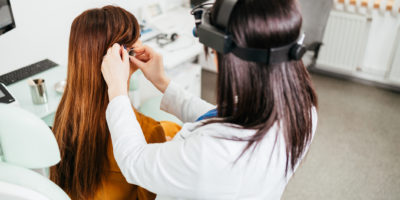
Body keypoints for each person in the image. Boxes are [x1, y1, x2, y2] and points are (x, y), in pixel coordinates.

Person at [101, 0, 318, 199]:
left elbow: (134, 162)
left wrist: (118, 89)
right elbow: (226, 118)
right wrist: (163, 83)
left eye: (213, 52)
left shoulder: (211, 155)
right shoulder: (302, 109)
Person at [49, 6, 180, 200]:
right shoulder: (149, 131)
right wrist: (160, 153)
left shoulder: (63, 117)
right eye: (138, 36)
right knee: (173, 129)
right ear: (123, 54)